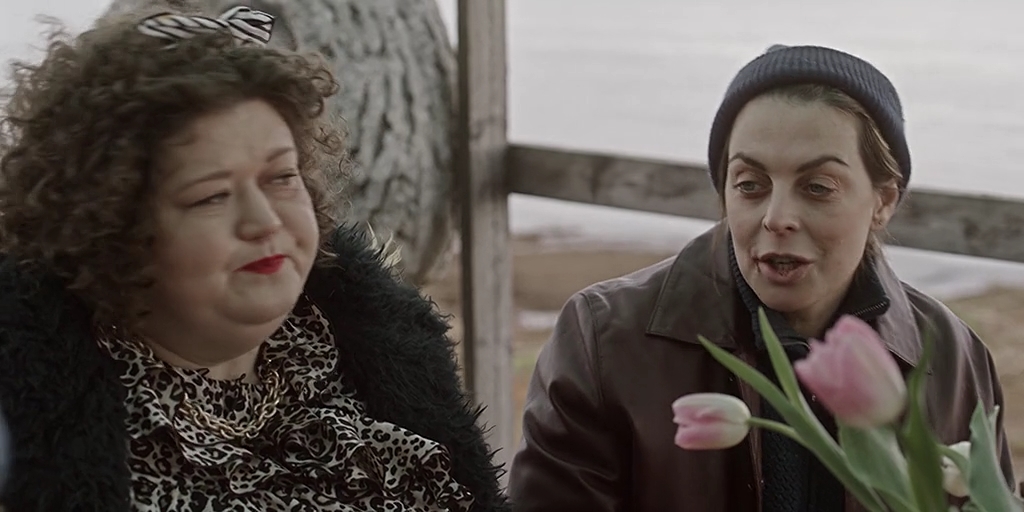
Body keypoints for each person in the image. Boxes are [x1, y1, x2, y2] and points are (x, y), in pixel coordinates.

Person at [0, 3, 508, 511]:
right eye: (211, 196)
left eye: (282, 177)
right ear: (107, 228)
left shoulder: (385, 359)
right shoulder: (30, 429)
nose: (264, 220)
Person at [508, 44, 1016, 511]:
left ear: (882, 201)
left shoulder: (952, 354)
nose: (776, 218)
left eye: (817, 187)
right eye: (750, 184)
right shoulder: (604, 339)